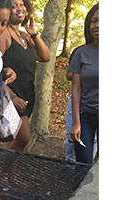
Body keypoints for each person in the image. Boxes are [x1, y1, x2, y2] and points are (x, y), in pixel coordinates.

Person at [0, 0, 50, 151]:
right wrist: (11, 96)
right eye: (13, 6)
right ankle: (0, 172)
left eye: (21, 4)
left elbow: (45, 57)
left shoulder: (25, 35)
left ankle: (9, 174)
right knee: (23, 138)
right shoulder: (4, 34)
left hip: (27, 92)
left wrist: (34, 34)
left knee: (18, 141)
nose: (19, 9)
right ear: (6, 10)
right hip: (12, 94)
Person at [69, 3, 99, 164]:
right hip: (85, 117)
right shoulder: (81, 53)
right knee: (83, 165)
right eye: (94, 21)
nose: (97, 25)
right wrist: (75, 123)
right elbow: (76, 90)